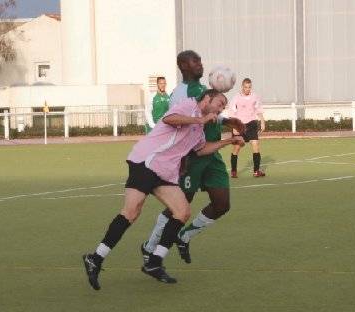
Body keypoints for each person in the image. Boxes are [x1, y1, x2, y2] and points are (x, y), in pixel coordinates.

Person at [82, 89, 245, 290]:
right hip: (147, 162)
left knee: (182, 212)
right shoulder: (188, 105)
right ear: (206, 99)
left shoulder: (198, 131)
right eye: (219, 104)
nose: (221, 109)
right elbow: (170, 119)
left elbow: (201, 150)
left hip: (165, 172)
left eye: (223, 107)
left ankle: (154, 261)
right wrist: (200, 120)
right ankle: (95, 258)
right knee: (131, 212)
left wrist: (229, 141)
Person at [141, 50, 246, 265]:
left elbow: (207, 114)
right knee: (179, 206)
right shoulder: (180, 92)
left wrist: (228, 121)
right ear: (183, 66)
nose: (200, 64)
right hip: (191, 155)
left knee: (222, 204)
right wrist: (180, 158)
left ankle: (184, 236)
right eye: (195, 61)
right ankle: (149, 247)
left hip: (211, 153)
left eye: (200, 60)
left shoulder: (204, 89)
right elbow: (180, 119)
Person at [228, 78, 266, 178]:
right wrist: (234, 127)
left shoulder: (255, 96)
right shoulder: (236, 97)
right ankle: (233, 171)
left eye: (249, 87)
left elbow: (258, 109)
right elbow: (231, 112)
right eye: (245, 87)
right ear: (242, 87)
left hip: (252, 123)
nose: (247, 89)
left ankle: (256, 171)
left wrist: (262, 122)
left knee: (256, 145)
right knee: (237, 148)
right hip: (240, 125)